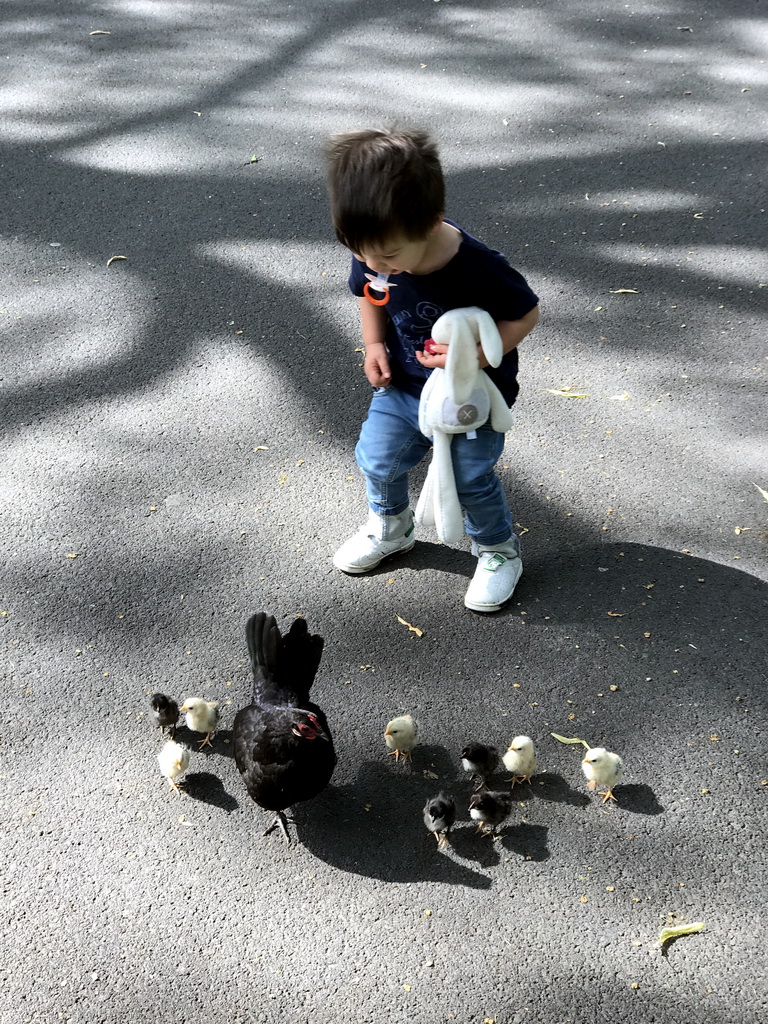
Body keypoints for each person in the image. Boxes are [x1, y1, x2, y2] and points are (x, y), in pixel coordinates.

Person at [325, 126, 540, 612]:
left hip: (471, 396)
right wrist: (373, 342)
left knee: (470, 478)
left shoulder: (478, 265)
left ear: (432, 221)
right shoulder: (375, 246)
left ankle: (498, 550)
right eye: (360, 251)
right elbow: (369, 294)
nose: (372, 262)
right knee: (376, 458)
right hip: (404, 385)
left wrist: (484, 354)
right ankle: (391, 525)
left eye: (387, 255)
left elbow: (526, 313)